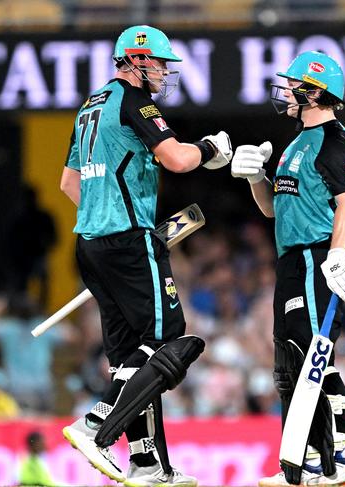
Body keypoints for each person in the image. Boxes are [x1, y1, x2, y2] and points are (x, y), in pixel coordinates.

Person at [59, 25, 232, 487]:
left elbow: (69, 184)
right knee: (165, 338)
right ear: (135, 60)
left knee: (132, 361)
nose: (163, 71)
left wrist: (105, 216)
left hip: (91, 243)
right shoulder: (135, 101)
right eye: (158, 63)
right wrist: (211, 148)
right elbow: (177, 158)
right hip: (130, 241)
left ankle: (147, 461)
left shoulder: (88, 107)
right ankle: (96, 423)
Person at [230, 51, 345, 486]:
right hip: (292, 259)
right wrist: (255, 177)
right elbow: (274, 209)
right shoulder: (297, 142)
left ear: (315, 92)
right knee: (291, 364)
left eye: (294, 84)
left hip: (316, 257)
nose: (286, 91)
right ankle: (305, 462)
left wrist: (336, 254)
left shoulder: (334, 141)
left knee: (315, 354)